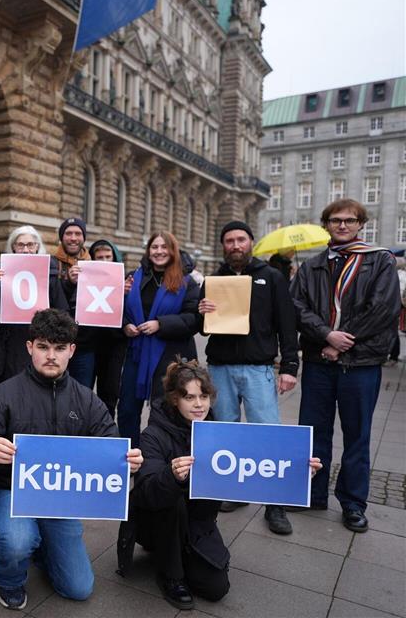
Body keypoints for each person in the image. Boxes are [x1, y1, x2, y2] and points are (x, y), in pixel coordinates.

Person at [0, 309, 143, 610]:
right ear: (30, 347)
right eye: (43, 347)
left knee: (79, 588)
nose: (51, 356)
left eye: (59, 348)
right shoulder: (6, 393)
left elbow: (109, 443)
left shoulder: (86, 399)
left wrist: (126, 462)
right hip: (8, 490)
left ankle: (42, 548)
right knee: (17, 540)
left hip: (60, 497)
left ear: (72, 350)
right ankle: (10, 579)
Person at [123, 360, 322, 610]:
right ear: (175, 399)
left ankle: (182, 554)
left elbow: (259, 468)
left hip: (197, 521)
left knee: (216, 588)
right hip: (157, 519)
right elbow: (147, 492)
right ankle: (170, 574)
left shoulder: (221, 434)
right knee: (173, 501)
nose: (198, 404)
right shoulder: (154, 434)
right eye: (189, 397)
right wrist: (172, 476)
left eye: (204, 396)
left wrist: (298, 475)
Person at [291, 199, 400, 532]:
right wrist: (326, 335)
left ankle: (353, 503)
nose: (342, 225)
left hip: (361, 363)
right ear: (326, 224)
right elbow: (296, 307)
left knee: (357, 435)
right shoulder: (311, 267)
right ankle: (312, 492)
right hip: (318, 361)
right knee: (314, 432)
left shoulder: (379, 260)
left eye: (349, 221)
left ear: (360, 224)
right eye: (335, 220)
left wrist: (342, 341)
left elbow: (384, 308)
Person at [197, 221, 300, 534]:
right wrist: (202, 311)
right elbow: (203, 328)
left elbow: (286, 323)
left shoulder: (271, 277)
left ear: (251, 242)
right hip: (220, 367)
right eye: (229, 240)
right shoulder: (214, 280)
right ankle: (232, 491)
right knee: (224, 434)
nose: (235, 245)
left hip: (258, 368)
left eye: (240, 239)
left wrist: (290, 367)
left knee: (267, 435)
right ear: (223, 245)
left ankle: (275, 504)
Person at [119, 232, 199, 448]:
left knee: (164, 410)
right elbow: (121, 309)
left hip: (170, 356)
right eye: (155, 247)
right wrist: (126, 325)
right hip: (136, 353)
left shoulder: (186, 282)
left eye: (164, 247)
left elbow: (193, 320)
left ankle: (161, 458)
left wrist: (160, 324)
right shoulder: (134, 278)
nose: (159, 251)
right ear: (148, 250)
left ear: (173, 250)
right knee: (127, 409)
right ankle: (131, 456)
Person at [0, 226, 69, 384]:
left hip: (39, 343)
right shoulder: (0, 270)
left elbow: (61, 310)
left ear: (37, 247)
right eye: (20, 245)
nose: (25, 249)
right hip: (9, 346)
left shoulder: (49, 272)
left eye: (30, 244)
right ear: (13, 247)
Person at [88, 238, 131, 419]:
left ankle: (106, 427)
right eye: (99, 257)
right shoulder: (85, 278)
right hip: (89, 343)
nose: (104, 261)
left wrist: (124, 294)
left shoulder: (126, 280)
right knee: (84, 391)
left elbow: (132, 311)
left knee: (110, 391)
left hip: (115, 344)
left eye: (108, 256)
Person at [52, 217, 97, 387]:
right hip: (56, 342)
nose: (73, 238)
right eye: (68, 233)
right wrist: (68, 283)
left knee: (81, 394)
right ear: (61, 237)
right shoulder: (51, 263)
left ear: (84, 238)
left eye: (78, 233)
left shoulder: (95, 266)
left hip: (84, 345)